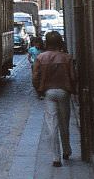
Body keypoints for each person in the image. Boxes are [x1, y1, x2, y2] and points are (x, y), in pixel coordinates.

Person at [32, 31, 76, 167]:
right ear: (60, 43)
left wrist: (39, 90)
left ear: (47, 43)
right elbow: (73, 77)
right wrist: (73, 90)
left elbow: (35, 77)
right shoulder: (67, 58)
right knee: (64, 122)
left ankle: (56, 157)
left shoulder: (40, 57)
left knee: (52, 124)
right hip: (64, 92)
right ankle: (67, 150)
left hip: (49, 92)